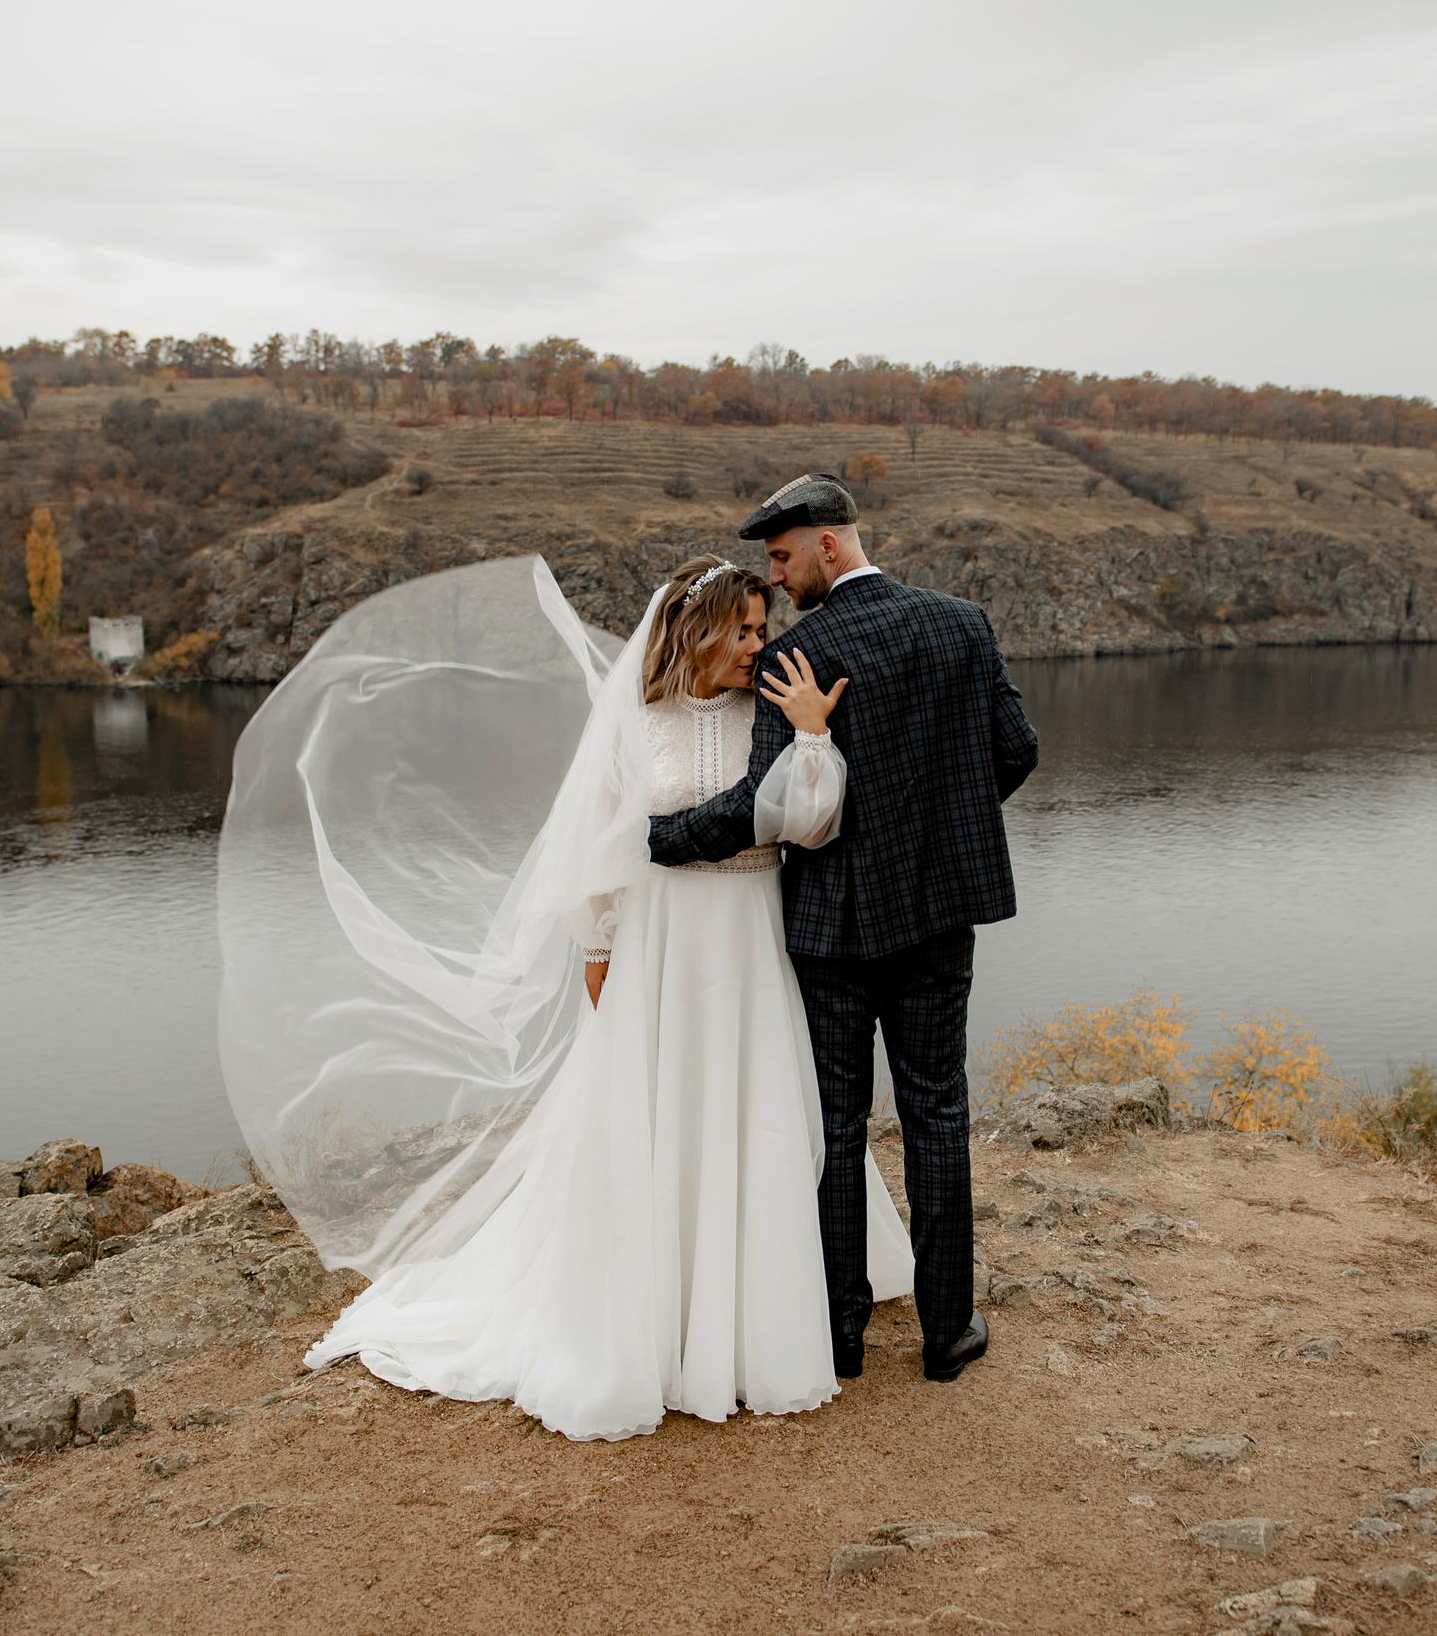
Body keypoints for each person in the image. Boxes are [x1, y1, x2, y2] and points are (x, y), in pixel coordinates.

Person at [276, 553, 913, 1441]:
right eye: (743, 630)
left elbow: (812, 822)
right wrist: (600, 943)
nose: (757, 645)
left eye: (763, 630)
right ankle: (651, 1322)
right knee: (656, 1114)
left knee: (756, 1112)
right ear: (697, 629)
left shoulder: (771, 711)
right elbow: (597, 841)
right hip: (662, 942)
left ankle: (750, 1322)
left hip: (753, 937)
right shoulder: (634, 723)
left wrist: (813, 737)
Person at [648, 473, 1040, 1383]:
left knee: (834, 1125)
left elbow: (760, 805)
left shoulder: (801, 653)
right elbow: (1015, 751)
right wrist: (941, 834)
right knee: (938, 1111)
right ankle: (947, 1332)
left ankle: (842, 1335)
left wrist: (661, 840)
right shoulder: (962, 622)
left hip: (831, 931)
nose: (777, 580)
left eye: (782, 557)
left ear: (829, 544)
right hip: (941, 921)